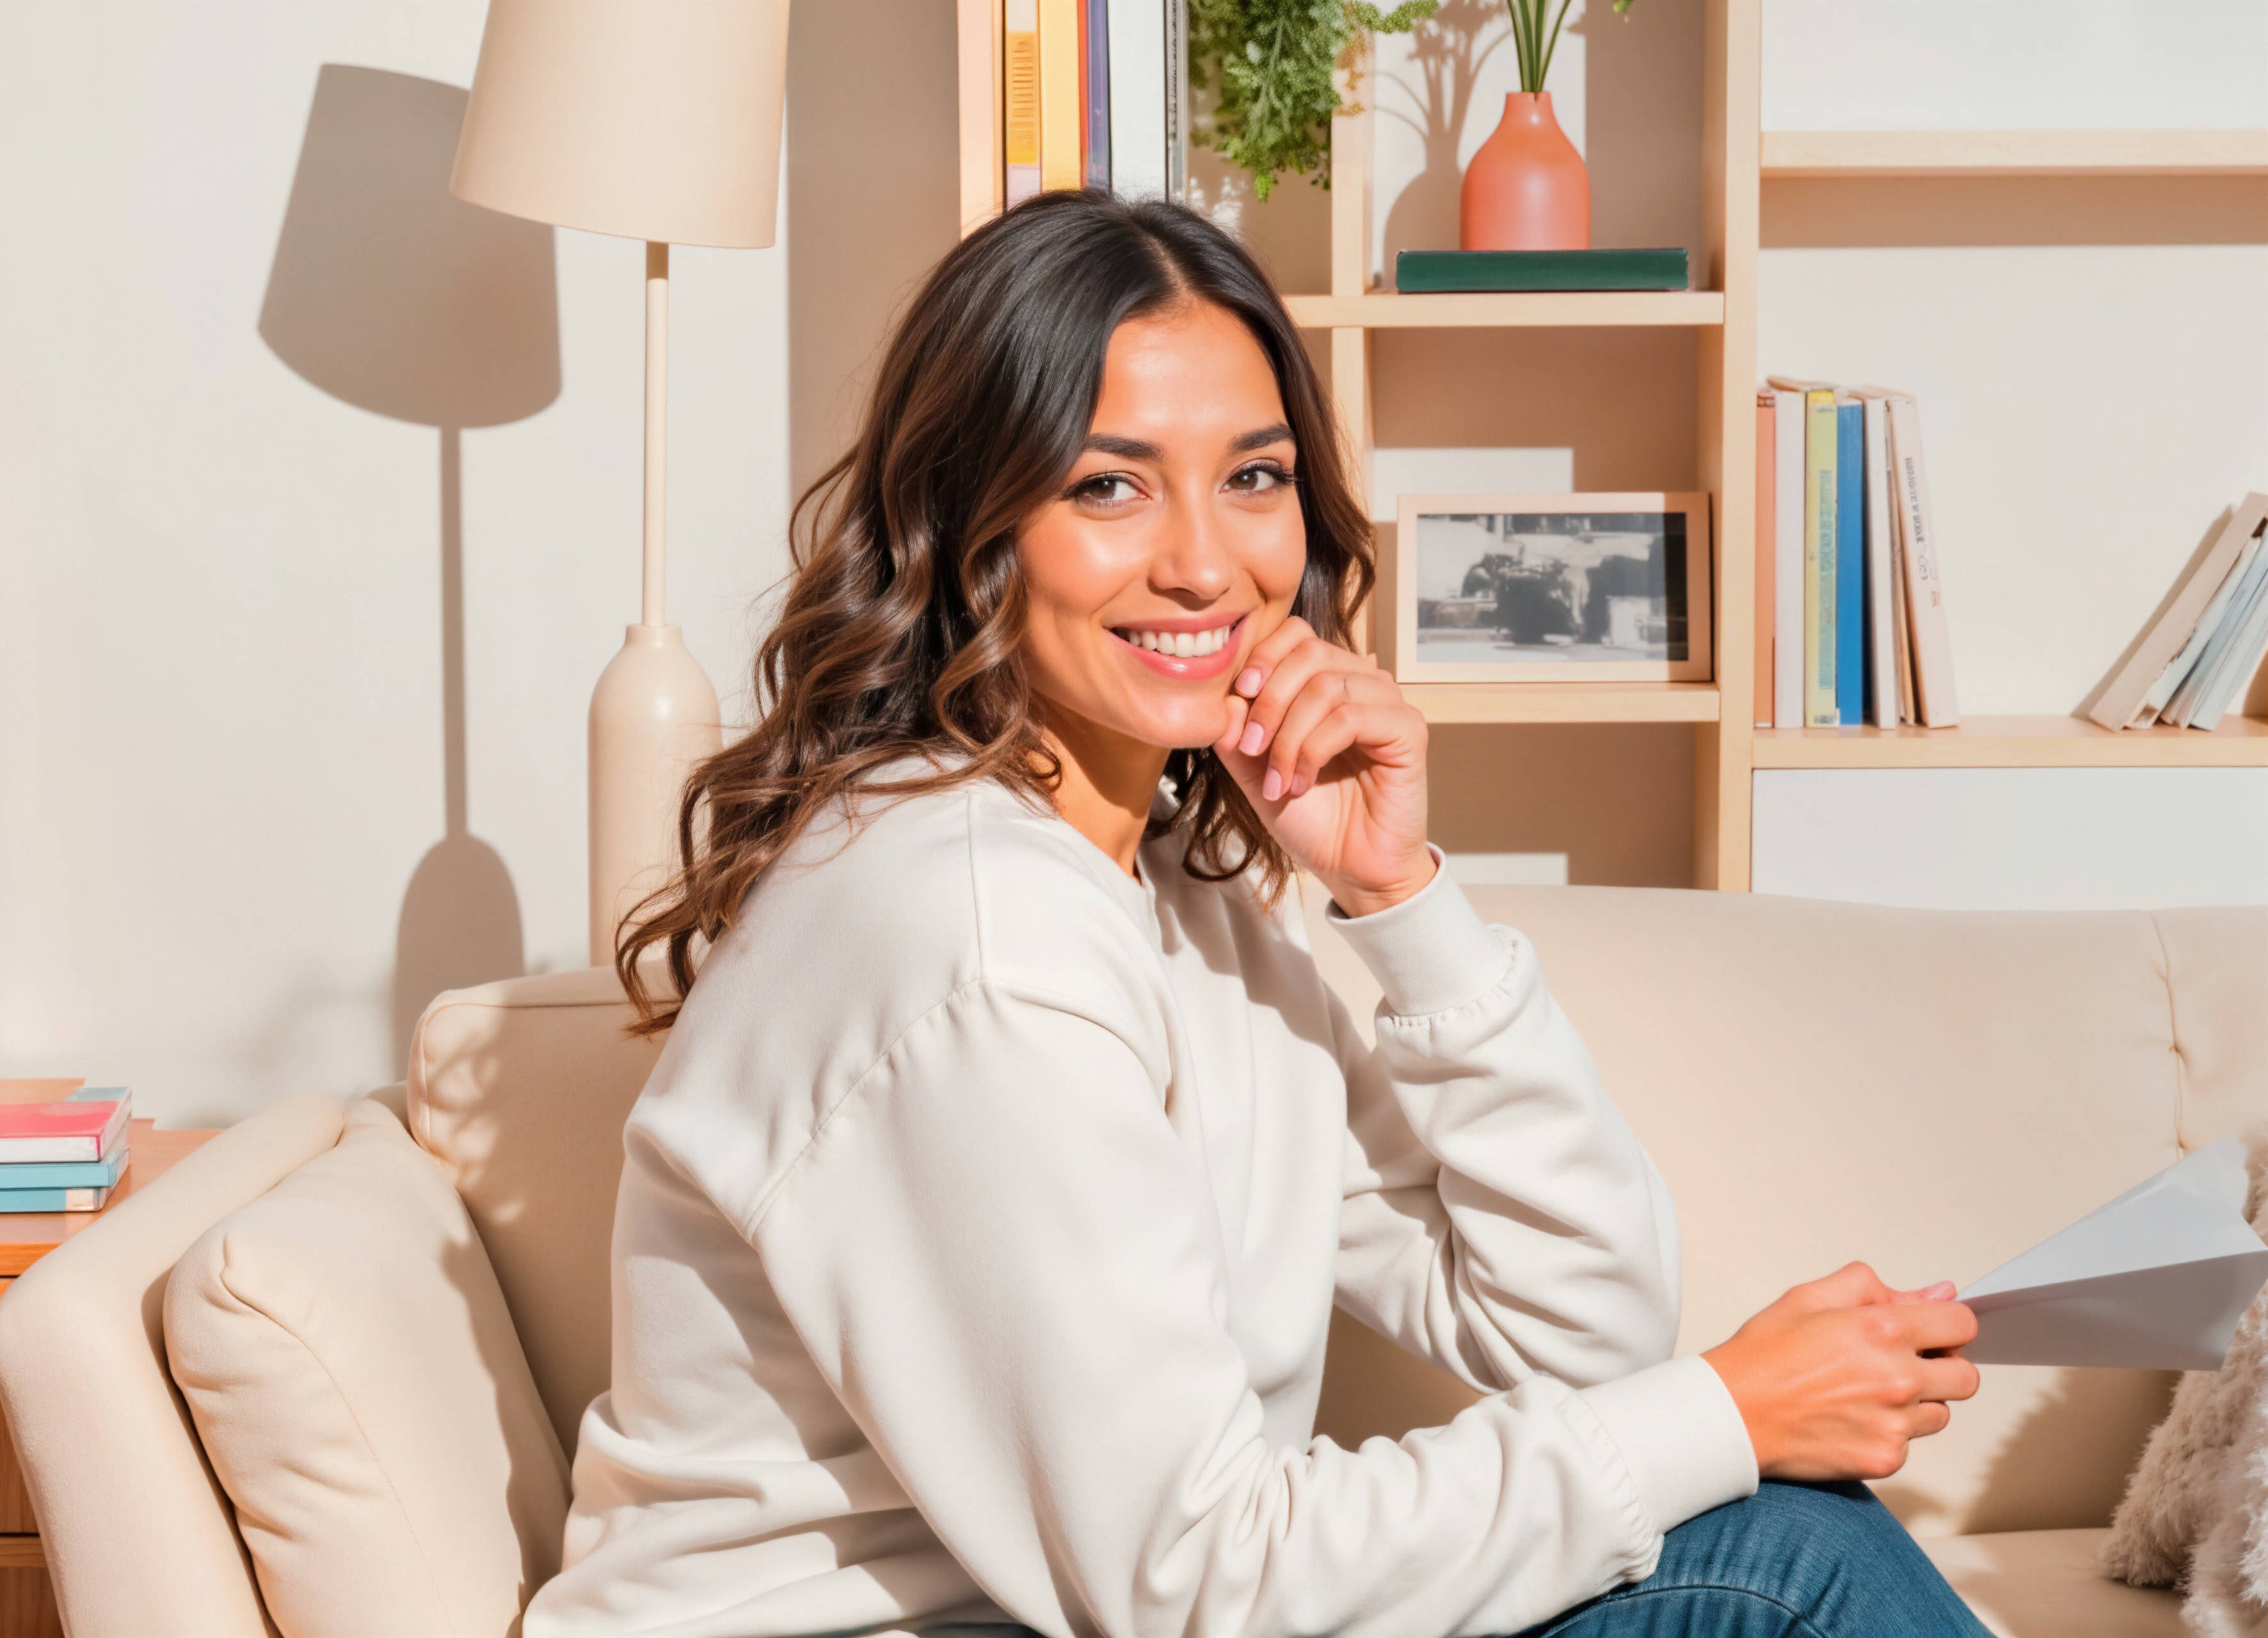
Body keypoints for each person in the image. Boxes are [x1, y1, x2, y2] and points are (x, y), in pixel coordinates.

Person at [522, 191, 1990, 1638]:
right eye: (1107, 485)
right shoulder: (970, 938)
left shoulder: (1163, 893)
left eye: (1251, 476)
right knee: (1781, 1559)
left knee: (1776, 1531)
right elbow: (1197, 1580)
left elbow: (1579, 1330)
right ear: (970, 522)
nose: (1202, 563)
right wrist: (1729, 1408)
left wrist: (1395, 897)